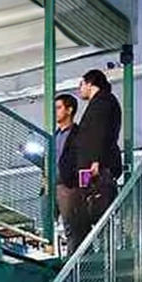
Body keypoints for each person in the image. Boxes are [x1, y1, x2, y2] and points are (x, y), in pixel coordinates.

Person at [74, 68, 123, 232]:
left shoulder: (102, 102)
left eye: (81, 84)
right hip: (92, 166)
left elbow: (98, 132)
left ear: (90, 83)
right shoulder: (103, 102)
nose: (80, 89)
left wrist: (96, 160)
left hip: (95, 167)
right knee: (89, 202)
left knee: (94, 205)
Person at [54, 93, 83, 255]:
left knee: (71, 226)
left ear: (69, 110)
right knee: (48, 224)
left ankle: (73, 258)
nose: (56, 112)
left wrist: (77, 183)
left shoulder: (78, 134)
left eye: (59, 108)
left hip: (67, 184)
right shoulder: (54, 136)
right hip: (50, 185)